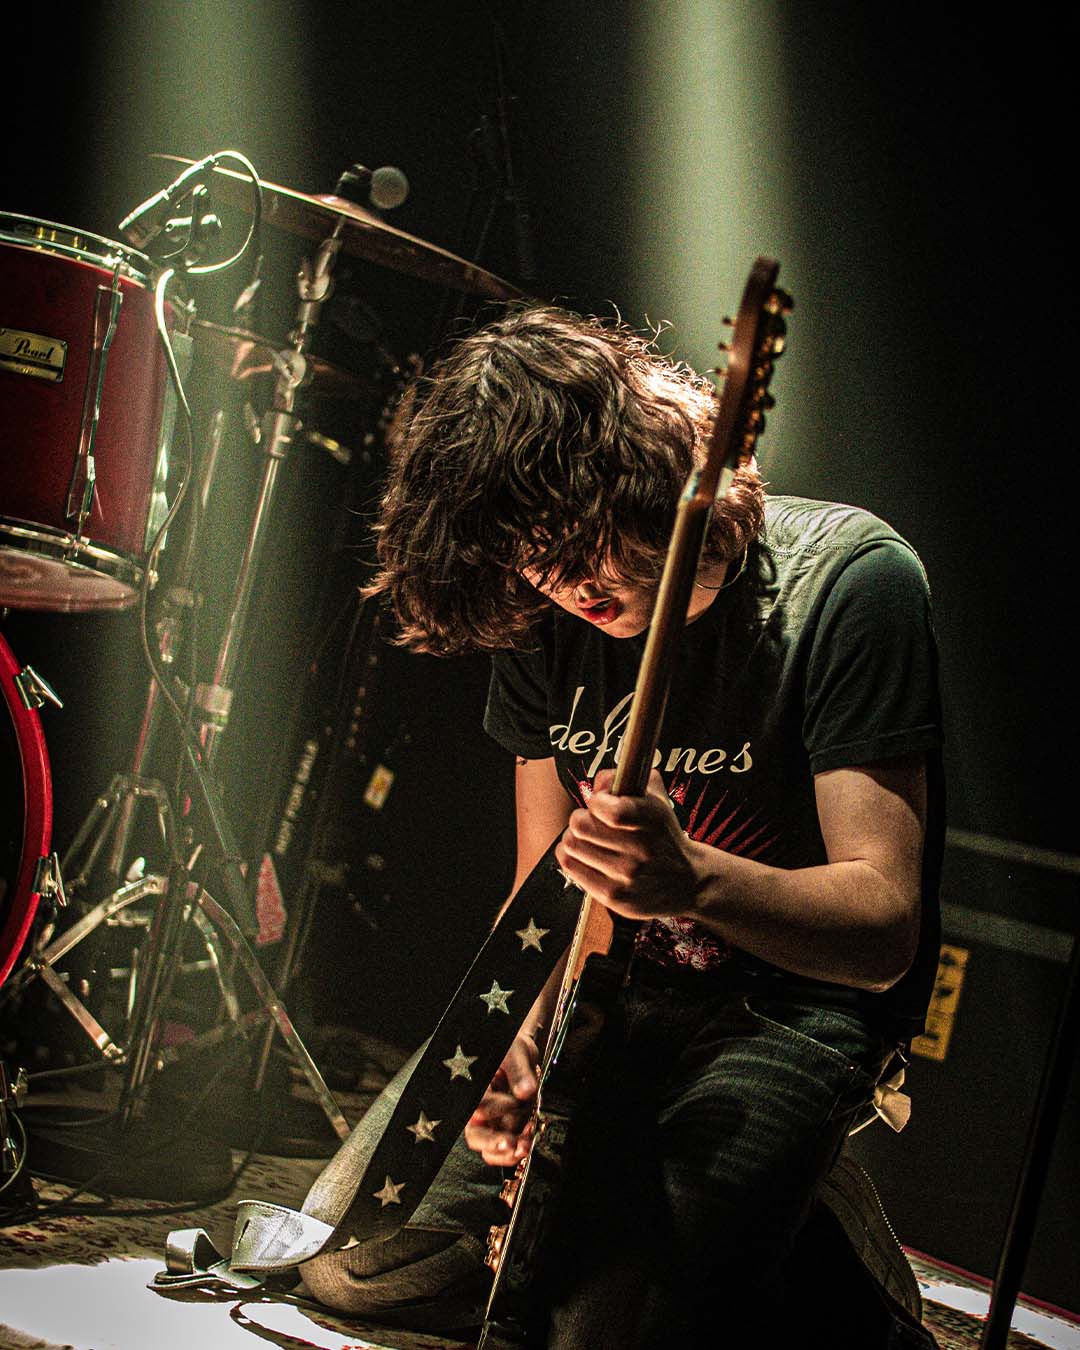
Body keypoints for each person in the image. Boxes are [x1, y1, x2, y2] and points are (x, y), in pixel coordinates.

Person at [300, 303, 944, 1345]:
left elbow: (881, 928)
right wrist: (514, 1039)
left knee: (616, 1330)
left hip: (778, 1015)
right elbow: (537, 894)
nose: (554, 582)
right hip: (606, 1006)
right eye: (524, 563)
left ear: (633, 471)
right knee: (349, 1263)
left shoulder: (853, 584)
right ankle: (635, 1237)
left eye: (562, 540)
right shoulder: (544, 618)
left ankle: (811, 1236)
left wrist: (691, 880)